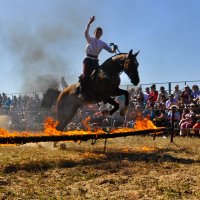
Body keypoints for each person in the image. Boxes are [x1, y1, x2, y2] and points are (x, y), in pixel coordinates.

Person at [79, 16, 117, 98]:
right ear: (94, 32)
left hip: (95, 61)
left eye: (99, 32)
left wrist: (114, 49)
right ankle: (81, 93)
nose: (98, 33)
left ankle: (104, 92)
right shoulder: (90, 39)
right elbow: (85, 33)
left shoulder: (102, 43)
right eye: (97, 32)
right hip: (88, 60)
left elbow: (111, 51)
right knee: (85, 76)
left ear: (101, 34)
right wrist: (89, 23)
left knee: (102, 75)